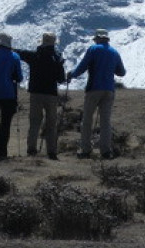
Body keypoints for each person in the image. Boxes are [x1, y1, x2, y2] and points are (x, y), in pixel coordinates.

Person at [67, 28, 126, 160]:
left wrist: (72, 74)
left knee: (87, 119)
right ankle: (105, 151)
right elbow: (121, 72)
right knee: (105, 121)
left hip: (94, 88)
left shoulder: (93, 49)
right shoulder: (114, 52)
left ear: (97, 38)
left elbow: (83, 66)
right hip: (109, 89)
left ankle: (86, 150)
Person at [16, 32, 66, 159]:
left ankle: (31, 149)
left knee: (34, 122)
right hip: (51, 94)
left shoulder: (34, 56)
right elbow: (61, 79)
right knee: (51, 123)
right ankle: (52, 151)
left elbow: (20, 53)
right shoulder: (57, 58)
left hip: (36, 93)